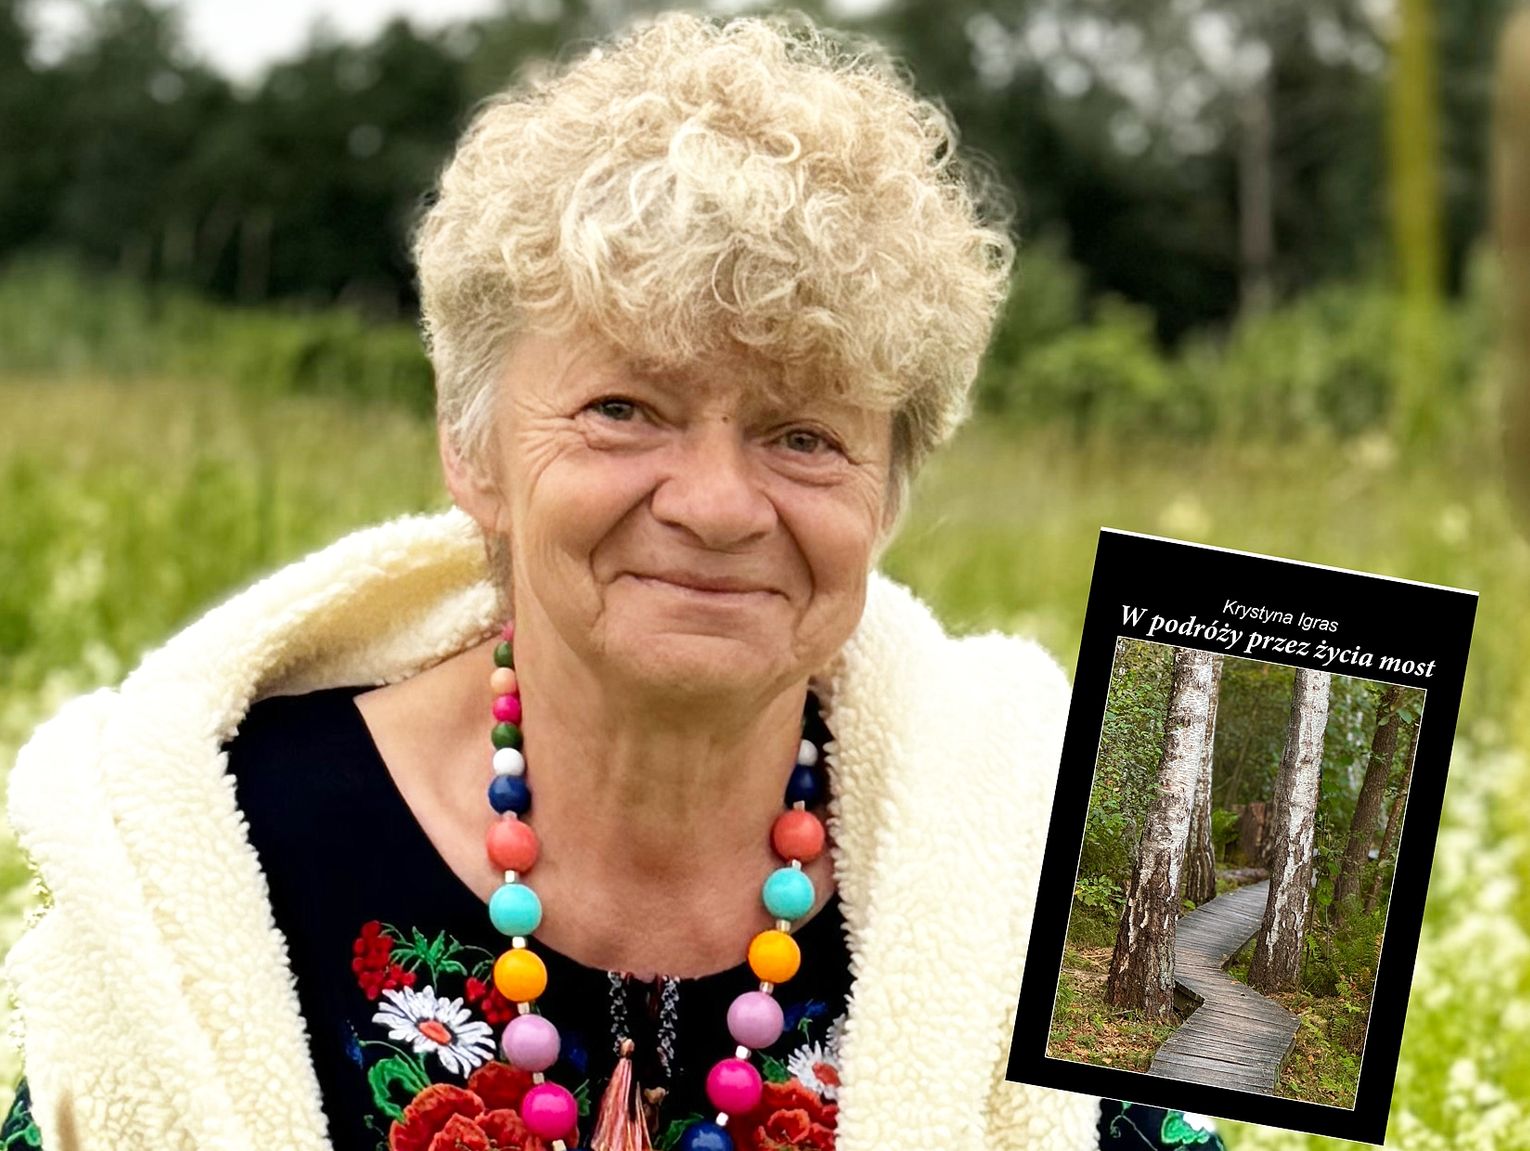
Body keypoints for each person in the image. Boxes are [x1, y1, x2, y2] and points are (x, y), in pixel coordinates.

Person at [0, 11, 1222, 1151]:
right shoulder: (207, 847)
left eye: (801, 433)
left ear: (888, 489)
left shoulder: (1035, 835)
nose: (716, 502)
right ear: (473, 447)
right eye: (624, 408)